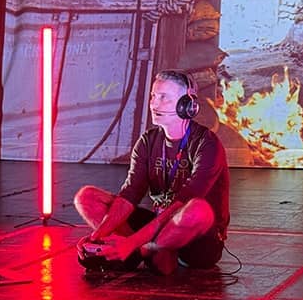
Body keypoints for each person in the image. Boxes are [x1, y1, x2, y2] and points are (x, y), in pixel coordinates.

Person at [74, 69, 230, 275]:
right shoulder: (148, 141)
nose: (154, 104)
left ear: (187, 106)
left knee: (197, 210)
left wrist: (132, 242)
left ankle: (144, 249)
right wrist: (97, 236)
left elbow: (181, 206)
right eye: (153, 96)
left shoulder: (206, 143)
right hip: (157, 225)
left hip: (196, 238)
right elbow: (129, 195)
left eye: (163, 98)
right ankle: (141, 252)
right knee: (86, 197)